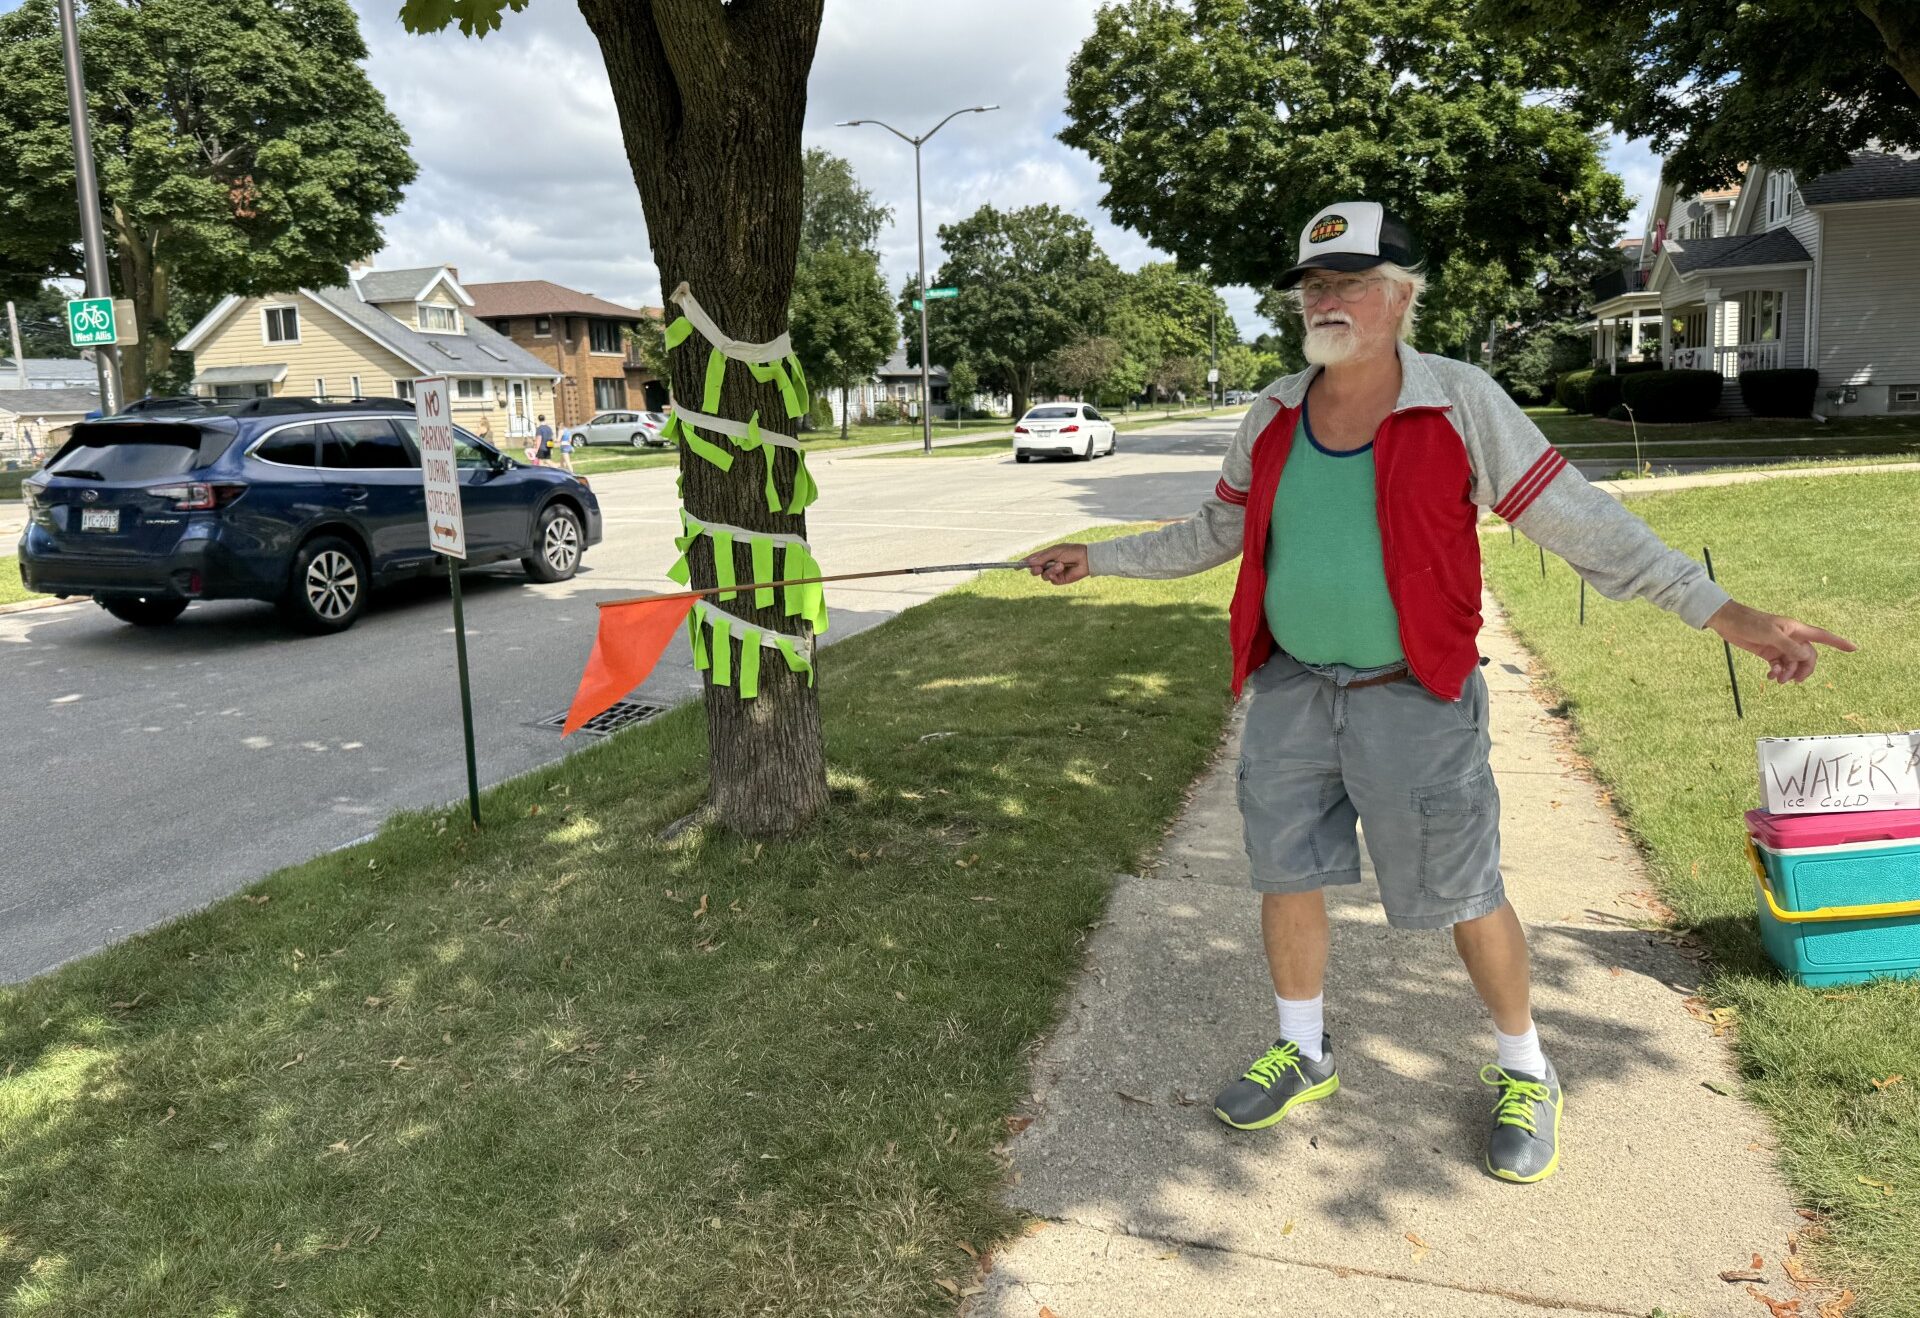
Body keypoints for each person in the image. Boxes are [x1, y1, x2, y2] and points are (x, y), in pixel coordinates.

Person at [1024, 200, 1853, 1185]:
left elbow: (1585, 527)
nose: (1328, 300)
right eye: (1314, 284)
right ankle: (1305, 1049)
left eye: (1353, 282)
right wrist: (1102, 556)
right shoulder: (1275, 411)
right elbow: (1217, 532)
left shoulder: (1461, 403)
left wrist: (1730, 613)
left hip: (1413, 697)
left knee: (1464, 892)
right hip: (1291, 690)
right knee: (1285, 873)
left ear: (1402, 296)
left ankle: (1526, 1066)